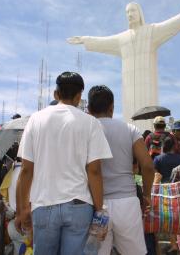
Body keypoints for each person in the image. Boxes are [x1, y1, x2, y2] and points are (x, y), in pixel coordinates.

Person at [67, 0, 180, 131]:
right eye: (127, 12)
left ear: (140, 13)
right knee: (129, 116)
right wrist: (84, 40)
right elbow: (102, 42)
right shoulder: (122, 38)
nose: (130, 14)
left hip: (147, 85)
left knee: (147, 110)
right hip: (128, 87)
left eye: (133, 11)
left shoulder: (151, 31)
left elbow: (171, 24)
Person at [15, 72, 112, 255]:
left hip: (43, 204)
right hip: (79, 205)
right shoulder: (91, 123)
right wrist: (100, 211)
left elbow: (26, 170)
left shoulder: (35, 119)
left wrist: (22, 209)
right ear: (78, 96)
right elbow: (94, 171)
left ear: (55, 94)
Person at [87, 85, 155, 255]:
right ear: (112, 107)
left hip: (94, 205)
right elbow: (147, 165)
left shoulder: (85, 129)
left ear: (88, 108)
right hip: (127, 203)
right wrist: (146, 195)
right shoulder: (129, 129)